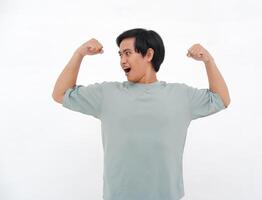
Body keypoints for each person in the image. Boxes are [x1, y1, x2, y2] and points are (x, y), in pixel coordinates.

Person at [52, 28, 230, 200]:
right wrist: (79, 54)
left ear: (149, 55)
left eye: (128, 53)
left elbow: (222, 99)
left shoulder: (181, 95)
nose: (122, 60)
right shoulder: (106, 94)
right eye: (120, 54)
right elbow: (60, 94)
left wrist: (209, 60)